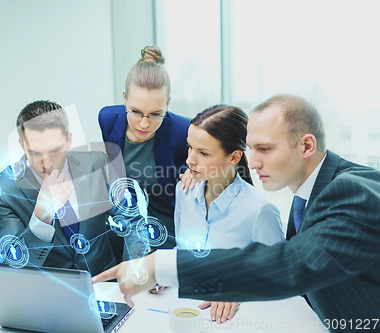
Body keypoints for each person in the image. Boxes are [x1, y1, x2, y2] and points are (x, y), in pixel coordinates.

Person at [94, 94, 380, 330]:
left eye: (265, 149)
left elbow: (291, 263)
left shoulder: (349, 191)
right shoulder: (307, 195)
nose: (252, 163)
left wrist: (161, 267)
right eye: (251, 149)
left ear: (306, 145)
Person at [0, 100, 147, 277]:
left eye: (55, 151)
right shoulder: (4, 191)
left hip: (105, 282)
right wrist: (42, 215)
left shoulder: (97, 163)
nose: (46, 164)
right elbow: (17, 266)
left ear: (69, 140)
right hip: (51, 291)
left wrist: (136, 269)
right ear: (21, 145)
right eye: (35, 153)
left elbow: (132, 221)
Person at [174, 105, 284, 322]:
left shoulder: (260, 211)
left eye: (203, 153)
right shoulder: (183, 192)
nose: (190, 160)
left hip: (234, 321)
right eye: (190, 148)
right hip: (182, 309)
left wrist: (237, 288)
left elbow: (280, 275)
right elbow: (182, 251)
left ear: (234, 158)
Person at [98, 45, 191, 251]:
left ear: (168, 103)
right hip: (125, 224)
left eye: (156, 114)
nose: (144, 124)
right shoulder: (107, 119)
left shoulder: (183, 130)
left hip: (167, 229)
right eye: (136, 112)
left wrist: (194, 173)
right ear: (124, 98)